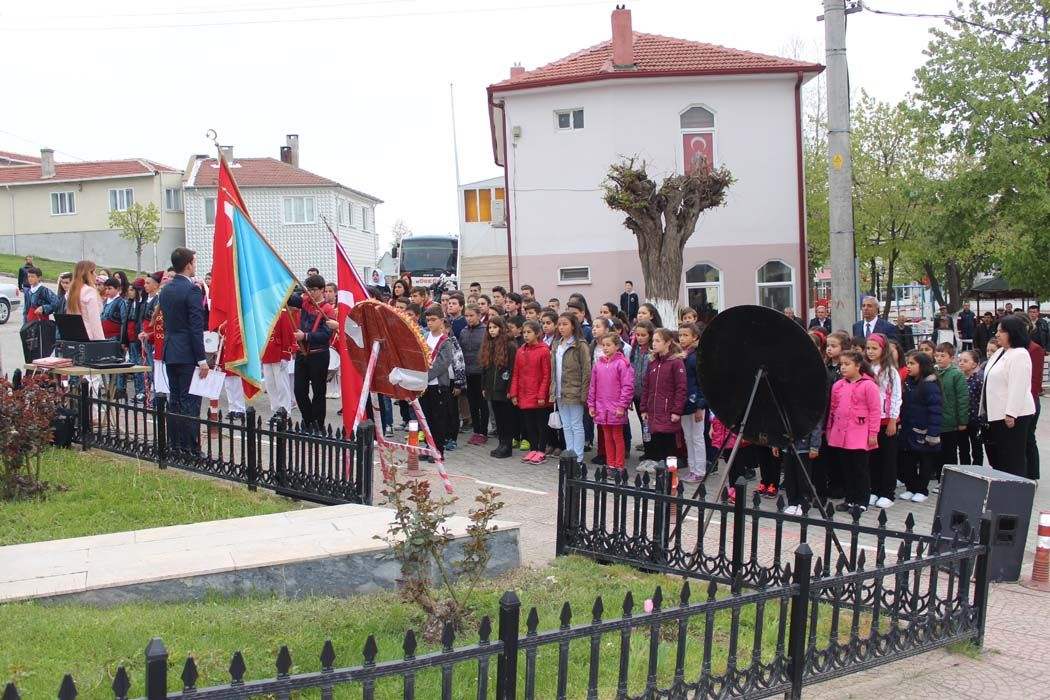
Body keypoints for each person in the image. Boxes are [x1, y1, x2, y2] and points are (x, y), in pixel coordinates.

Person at [159, 248, 209, 455]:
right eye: (194, 262)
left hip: (171, 349)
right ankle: (190, 448)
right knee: (190, 401)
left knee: (175, 400)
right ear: (188, 264)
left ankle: (175, 445)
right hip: (188, 351)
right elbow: (195, 327)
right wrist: (202, 359)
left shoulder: (167, 289)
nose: (195, 266)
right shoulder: (192, 290)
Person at [980, 315, 1036, 477]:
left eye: (1001, 332)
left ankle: (1016, 495)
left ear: (1013, 333)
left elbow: (1019, 386)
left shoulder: (1019, 354)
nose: (997, 335)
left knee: (1013, 459)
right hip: (995, 414)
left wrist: (1011, 413)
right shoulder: (1001, 353)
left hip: (1012, 416)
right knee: (1000, 458)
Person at [826, 349, 881, 513]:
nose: (843, 367)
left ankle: (862, 500)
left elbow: (875, 411)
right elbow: (833, 409)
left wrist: (873, 433)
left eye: (847, 364)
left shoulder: (868, 385)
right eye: (841, 364)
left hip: (859, 434)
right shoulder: (838, 385)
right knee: (846, 468)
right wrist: (830, 429)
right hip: (841, 433)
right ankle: (849, 499)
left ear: (858, 366)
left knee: (860, 469)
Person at [286, 274, 336, 432]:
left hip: (319, 354)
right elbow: (290, 299)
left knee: (319, 391)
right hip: (302, 353)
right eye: (308, 289)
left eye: (313, 290)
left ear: (322, 290)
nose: (310, 292)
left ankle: (318, 425)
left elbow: (326, 334)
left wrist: (305, 336)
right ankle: (307, 421)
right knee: (299, 390)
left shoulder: (328, 309)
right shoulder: (306, 301)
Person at [638, 328, 686, 474]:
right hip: (654, 412)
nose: (654, 344)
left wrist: (676, 410)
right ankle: (660, 476)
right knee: (657, 443)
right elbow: (646, 386)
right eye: (653, 340)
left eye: (658, 341)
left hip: (668, 412)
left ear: (668, 342)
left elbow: (681, 389)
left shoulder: (676, 363)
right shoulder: (652, 362)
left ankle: (672, 476)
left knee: (670, 447)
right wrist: (644, 408)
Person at [898, 351, 944, 503]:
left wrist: (933, 433)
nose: (908, 367)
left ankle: (922, 489)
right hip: (908, 429)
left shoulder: (930, 385)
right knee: (908, 461)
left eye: (912, 363)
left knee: (925, 461)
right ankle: (911, 487)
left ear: (922, 365)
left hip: (924, 431)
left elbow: (935, 410)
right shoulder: (908, 383)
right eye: (907, 363)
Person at [587, 333, 634, 472]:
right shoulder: (598, 365)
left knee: (617, 437)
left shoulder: (622, 364)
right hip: (602, 407)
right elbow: (593, 386)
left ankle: (619, 465)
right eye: (604, 345)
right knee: (607, 438)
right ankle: (610, 464)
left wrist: (622, 406)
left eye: (609, 345)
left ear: (617, 346)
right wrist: (591, 404)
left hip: (616, 408)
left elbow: (627, 386)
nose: (605, 348)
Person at [865, 334, 901, 509]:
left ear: (883, 350)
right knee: (873, 458)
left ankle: (888, 492)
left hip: (886, 419)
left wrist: (893, 420)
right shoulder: (865, 368)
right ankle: (875, 489)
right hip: (869, 421)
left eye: (874, 348)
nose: (870, 352)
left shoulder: (890, 371)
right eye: (868, 348)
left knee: (888, 457)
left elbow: (895, 396)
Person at [550, 312, 591, 462]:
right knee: (566, 426)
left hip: (575, 391)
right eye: (559, 324)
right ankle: (569, 455)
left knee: (576, 425)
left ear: (573, 326)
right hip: (560, 391)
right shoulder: (556, 344)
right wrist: (553, 390)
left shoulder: (580, 345)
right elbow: (554, 370)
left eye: (565, 324)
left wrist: (584, 394)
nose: (561, 327)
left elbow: (587, 371)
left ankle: (577, 458)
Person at [509, 320, 552, 463]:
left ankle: (541, 450)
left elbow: (546, 375)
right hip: (524, 393)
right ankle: (533, 449)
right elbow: (516, 373)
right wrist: (514, 393)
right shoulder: (520, 350)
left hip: (538, 395)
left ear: (537, 334)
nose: (526, 335)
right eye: (524, 332)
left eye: (529, 332)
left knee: (541, 424)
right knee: (529, 424)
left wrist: (542, 395)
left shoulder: (544, 350)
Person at [420, 306, 455, 458]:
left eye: (433, 320)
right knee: (426, 418)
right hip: (425, 386)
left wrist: (425, 376)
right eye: (428, 320)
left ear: (441, 321)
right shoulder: (424, 337)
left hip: (438, 385)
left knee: (438, 419)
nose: (430, 323)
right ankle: (428, 447)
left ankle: (438, 450)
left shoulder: (445, 341)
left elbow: (443, 363)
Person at [933, 342, 968, 484]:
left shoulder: (956, 374)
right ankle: (939, 479)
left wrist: (962, 421)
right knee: (937, 452)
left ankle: (950, 481)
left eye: (943, 356)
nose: (939, 359)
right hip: (937, 421)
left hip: (951, 421)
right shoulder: (934, 372)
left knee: (950, 452)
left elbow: (962, 398)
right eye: (937, 355)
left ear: (952, 358)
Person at [481, 316, 516, 458]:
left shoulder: (510, 345)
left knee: (506, 418)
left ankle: (507, 445)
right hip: (491, 388)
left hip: (504, 388)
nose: (492, 330)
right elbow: (485, 368)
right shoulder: (488, 344)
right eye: (490, 328)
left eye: (495, 327)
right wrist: (484, 387)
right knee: (498, 417)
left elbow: (513, 369)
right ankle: (501, 443)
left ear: (501, 328)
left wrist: (509, 389)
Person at [677, 323, 707, 483]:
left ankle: (700, 470)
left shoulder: (696, 356)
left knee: (697, 437)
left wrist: (700, 406)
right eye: (680, 335)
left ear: (694, 337)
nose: (682, 339)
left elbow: (702, 382)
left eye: (685, 335)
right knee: (688, 437)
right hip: (684, 403)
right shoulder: (682, 355)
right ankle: (692, 468)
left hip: (695, 403)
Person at [460, 303, 488, 446]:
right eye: (467, 316)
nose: (469, 319)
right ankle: (476, 430)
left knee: (482, 404)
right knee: (472, 403)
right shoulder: (464, 331)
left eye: (472, 316)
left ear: (479, 315)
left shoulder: (484, 330)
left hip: (481, 373)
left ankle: (483, 431)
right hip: (468, 372)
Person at [958, 349, 984, 465]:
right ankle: (965, 470)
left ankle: (977, 469)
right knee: (963, 448)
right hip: (962, 419)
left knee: (977, 447)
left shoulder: (978, 379)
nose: (961, 363)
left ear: (974, 364)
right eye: (960, 360)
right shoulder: (959, 378)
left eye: (965, 361)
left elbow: (982, 399)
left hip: (976, 420)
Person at [99, 278, 127, 342]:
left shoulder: (121, 302)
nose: (107, 291)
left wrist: (123, 340)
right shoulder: (104, 302)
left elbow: (124, 322)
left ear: (117, 289)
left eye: (109, 288)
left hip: (115, 337)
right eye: (106, 289)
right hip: (103, 336)